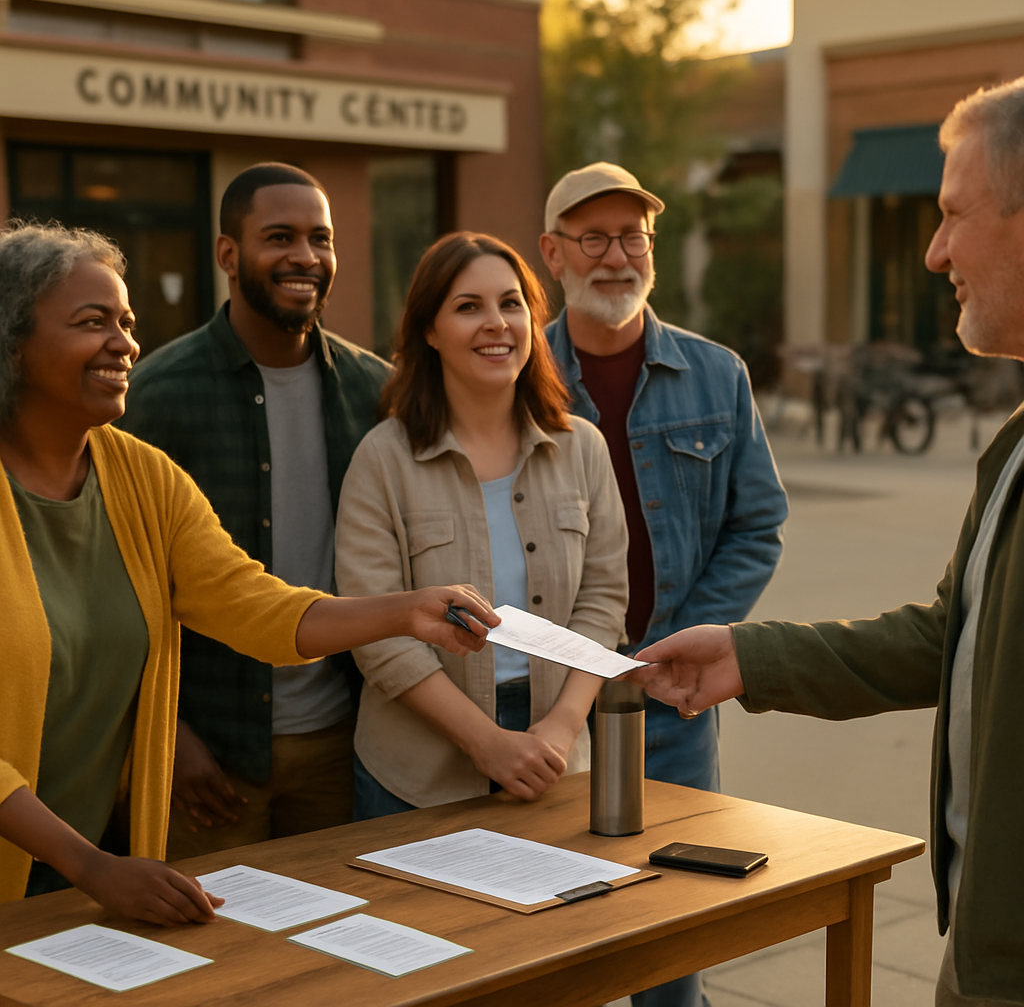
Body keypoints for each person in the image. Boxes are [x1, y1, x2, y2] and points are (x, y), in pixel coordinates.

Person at [629, 78, 1024, 1007]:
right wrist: (747, 658)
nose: (932, 253)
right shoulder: (1013, 443)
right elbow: (946, 640)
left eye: (952, 215)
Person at [0, 220, 497, 923]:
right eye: (92, 322)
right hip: (72, 868)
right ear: (12, 342)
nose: (125, 344)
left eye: (127, 321)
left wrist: (404, 611)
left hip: (80, 877)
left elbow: (254, 606)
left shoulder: (144, 479)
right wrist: (91, 867)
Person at [539, 163, 788, 1007]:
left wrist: (684, 645)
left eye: (633, 236)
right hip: (540, 708)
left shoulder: (718, 375)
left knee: (673, 934)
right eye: (593, 238)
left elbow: (758, 525)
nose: (616, 257)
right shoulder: (515, 375)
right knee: (545, 932)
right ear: (552, 253)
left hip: (671, 703)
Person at [119, 163, 391, 858]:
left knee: (335, 949)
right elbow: (116, 584)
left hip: (342, 740)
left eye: (320, 239)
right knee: (210, 959)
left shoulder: (376, 393)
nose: (305, 256)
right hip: (210, 754)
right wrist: (166, 737)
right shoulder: (154, 396)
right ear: (228, 255)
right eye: (280, 237)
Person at [335, 231, 628, 816]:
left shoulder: (584, 449)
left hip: (556, 761)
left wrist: (563, 728)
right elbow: (378, 632)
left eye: (511, 303)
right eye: (468, 307)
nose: (496, 323)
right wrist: (484, 741)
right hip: (416, 775)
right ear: (429, 330)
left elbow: (603, 600)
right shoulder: (382, 459)